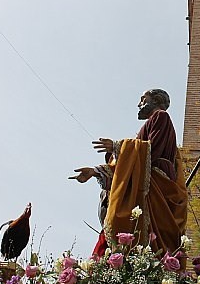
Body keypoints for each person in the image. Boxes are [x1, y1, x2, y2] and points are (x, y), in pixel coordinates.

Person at [70, 89, 188, 258]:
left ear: (155, 100)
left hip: (156, 191)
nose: (139, 104)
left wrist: (118, 147)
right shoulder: (149, 126)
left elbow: (149, 153)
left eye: (143, 99)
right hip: (150, 191)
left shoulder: (160, 117)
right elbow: (130, 167)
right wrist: (95, 172)